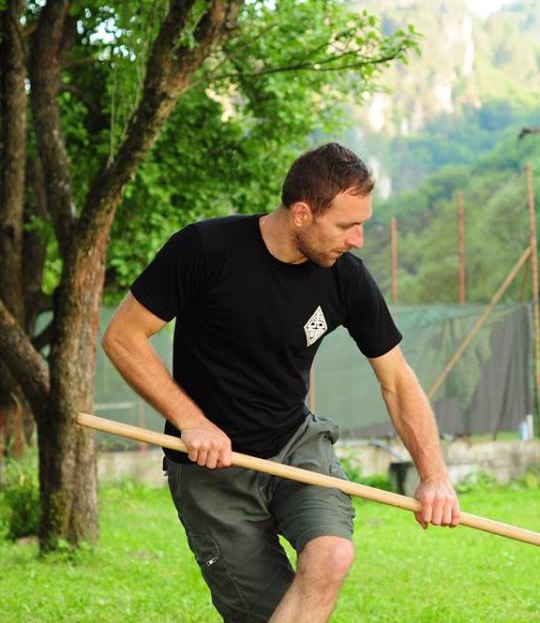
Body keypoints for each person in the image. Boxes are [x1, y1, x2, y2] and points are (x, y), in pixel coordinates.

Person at [103, 142, 461, 623]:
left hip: (296, 446)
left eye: (362, 225)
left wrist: (434, 476)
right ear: (301, 213)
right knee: (272, 614)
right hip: (211, 473)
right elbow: (123, 337)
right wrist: (191, 422)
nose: (358, 240)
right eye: (346, 226)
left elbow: (397, 379)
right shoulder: (204, 249)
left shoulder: (345, 278)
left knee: (332, 553)